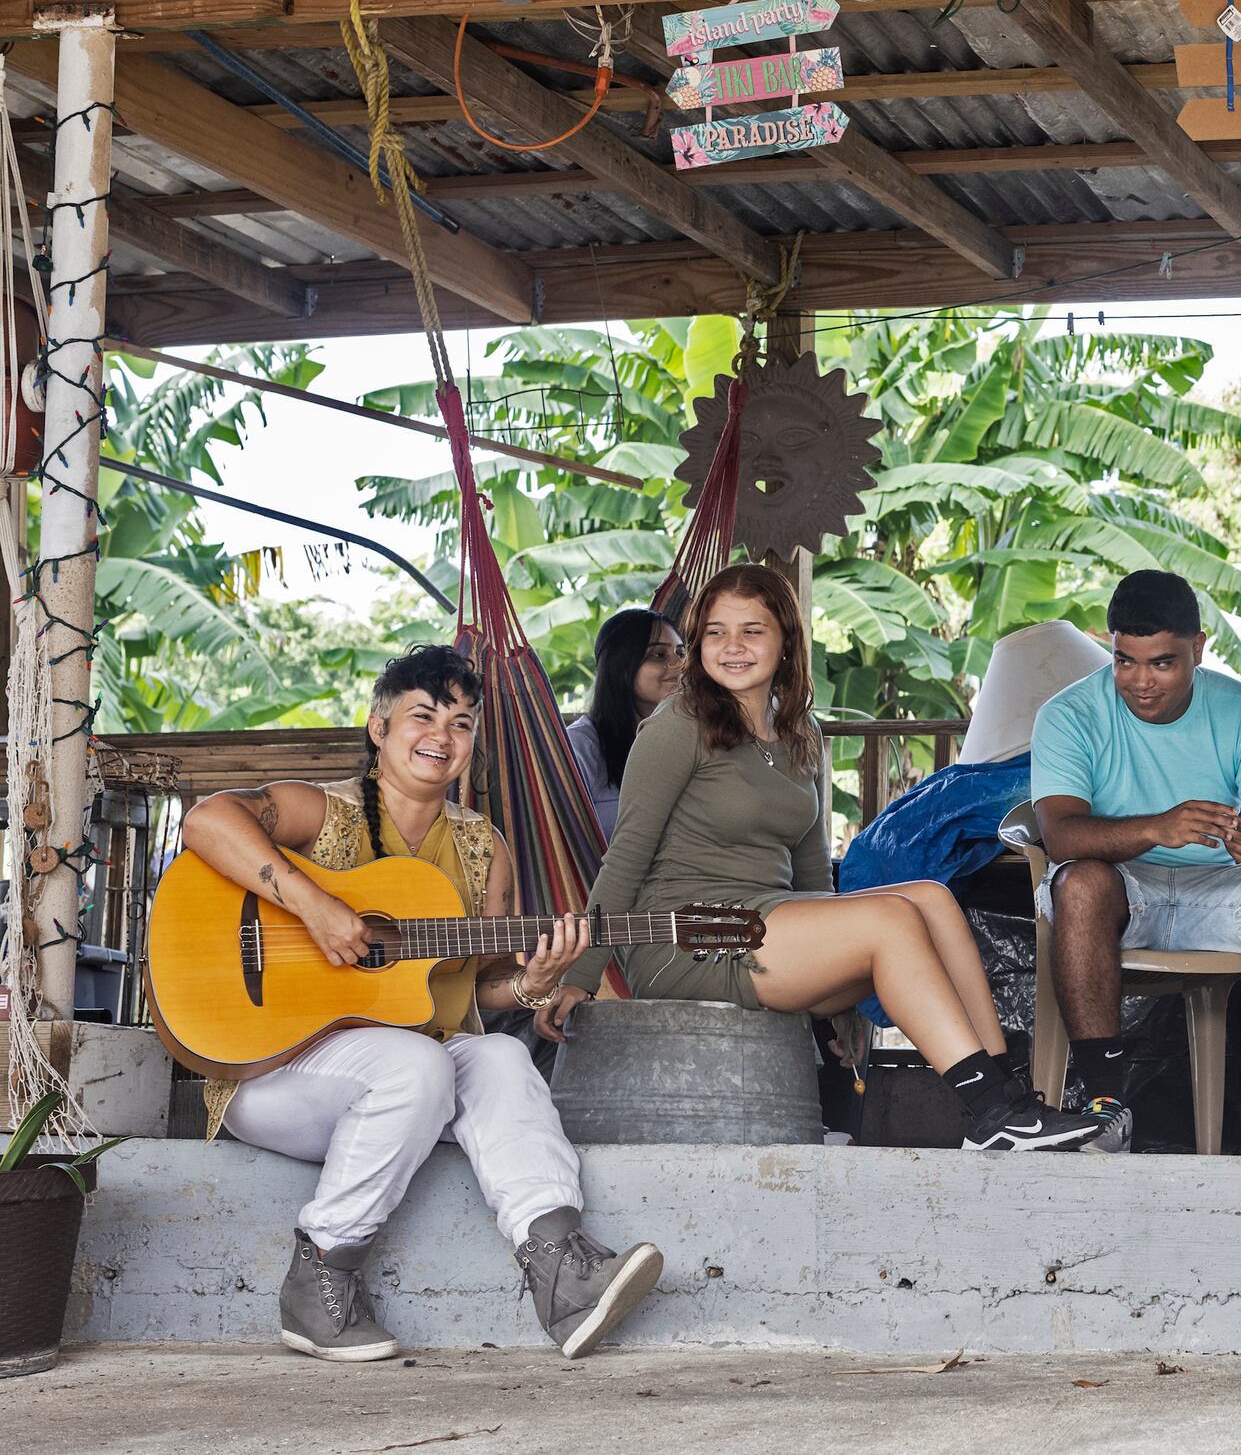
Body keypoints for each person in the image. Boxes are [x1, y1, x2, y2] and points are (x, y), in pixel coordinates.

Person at [181, 645, 661, 1363]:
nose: (443, 734)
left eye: (462, 722)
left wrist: (535, 982)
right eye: (423, 714)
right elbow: (207, 821)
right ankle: (320, 1276)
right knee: (417, 1064)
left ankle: (563, 1271)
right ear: (379, 727)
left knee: (496, 1055)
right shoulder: (324, 812)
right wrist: (313, 906)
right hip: (269, 1072)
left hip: (405, 1084)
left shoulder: (481, 848)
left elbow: (484, 986)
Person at [541, 563, 1098, 1151]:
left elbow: (811, 877)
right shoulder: (677, 725)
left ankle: (1008, 1100)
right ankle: (990, 1114)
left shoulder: (798, 730)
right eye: (715, 632)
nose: (732, 647)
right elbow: (625, 855)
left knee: (931, 897)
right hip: (690, 934)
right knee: (893, 917)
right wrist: (581, 976)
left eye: (752, 630)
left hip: (772, 921)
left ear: (785, 641)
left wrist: (845, 1005)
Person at [1032, 569, 1241, 1155]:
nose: (1140, 682)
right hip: (1123, 891)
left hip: (1222, 890)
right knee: (1080, 883)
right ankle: (1105, 1107)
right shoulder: (1068, 714)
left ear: (1198, 650)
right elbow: (1062, 837)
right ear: (1110, 646)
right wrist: (1157, 828)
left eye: (1163, 663)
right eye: (1125, 661)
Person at [565, 607, 683, 841]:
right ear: (620, 666)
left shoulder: (692, 740)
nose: (679, 665)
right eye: (658, 655)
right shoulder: (581, 746)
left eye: (681, 653)